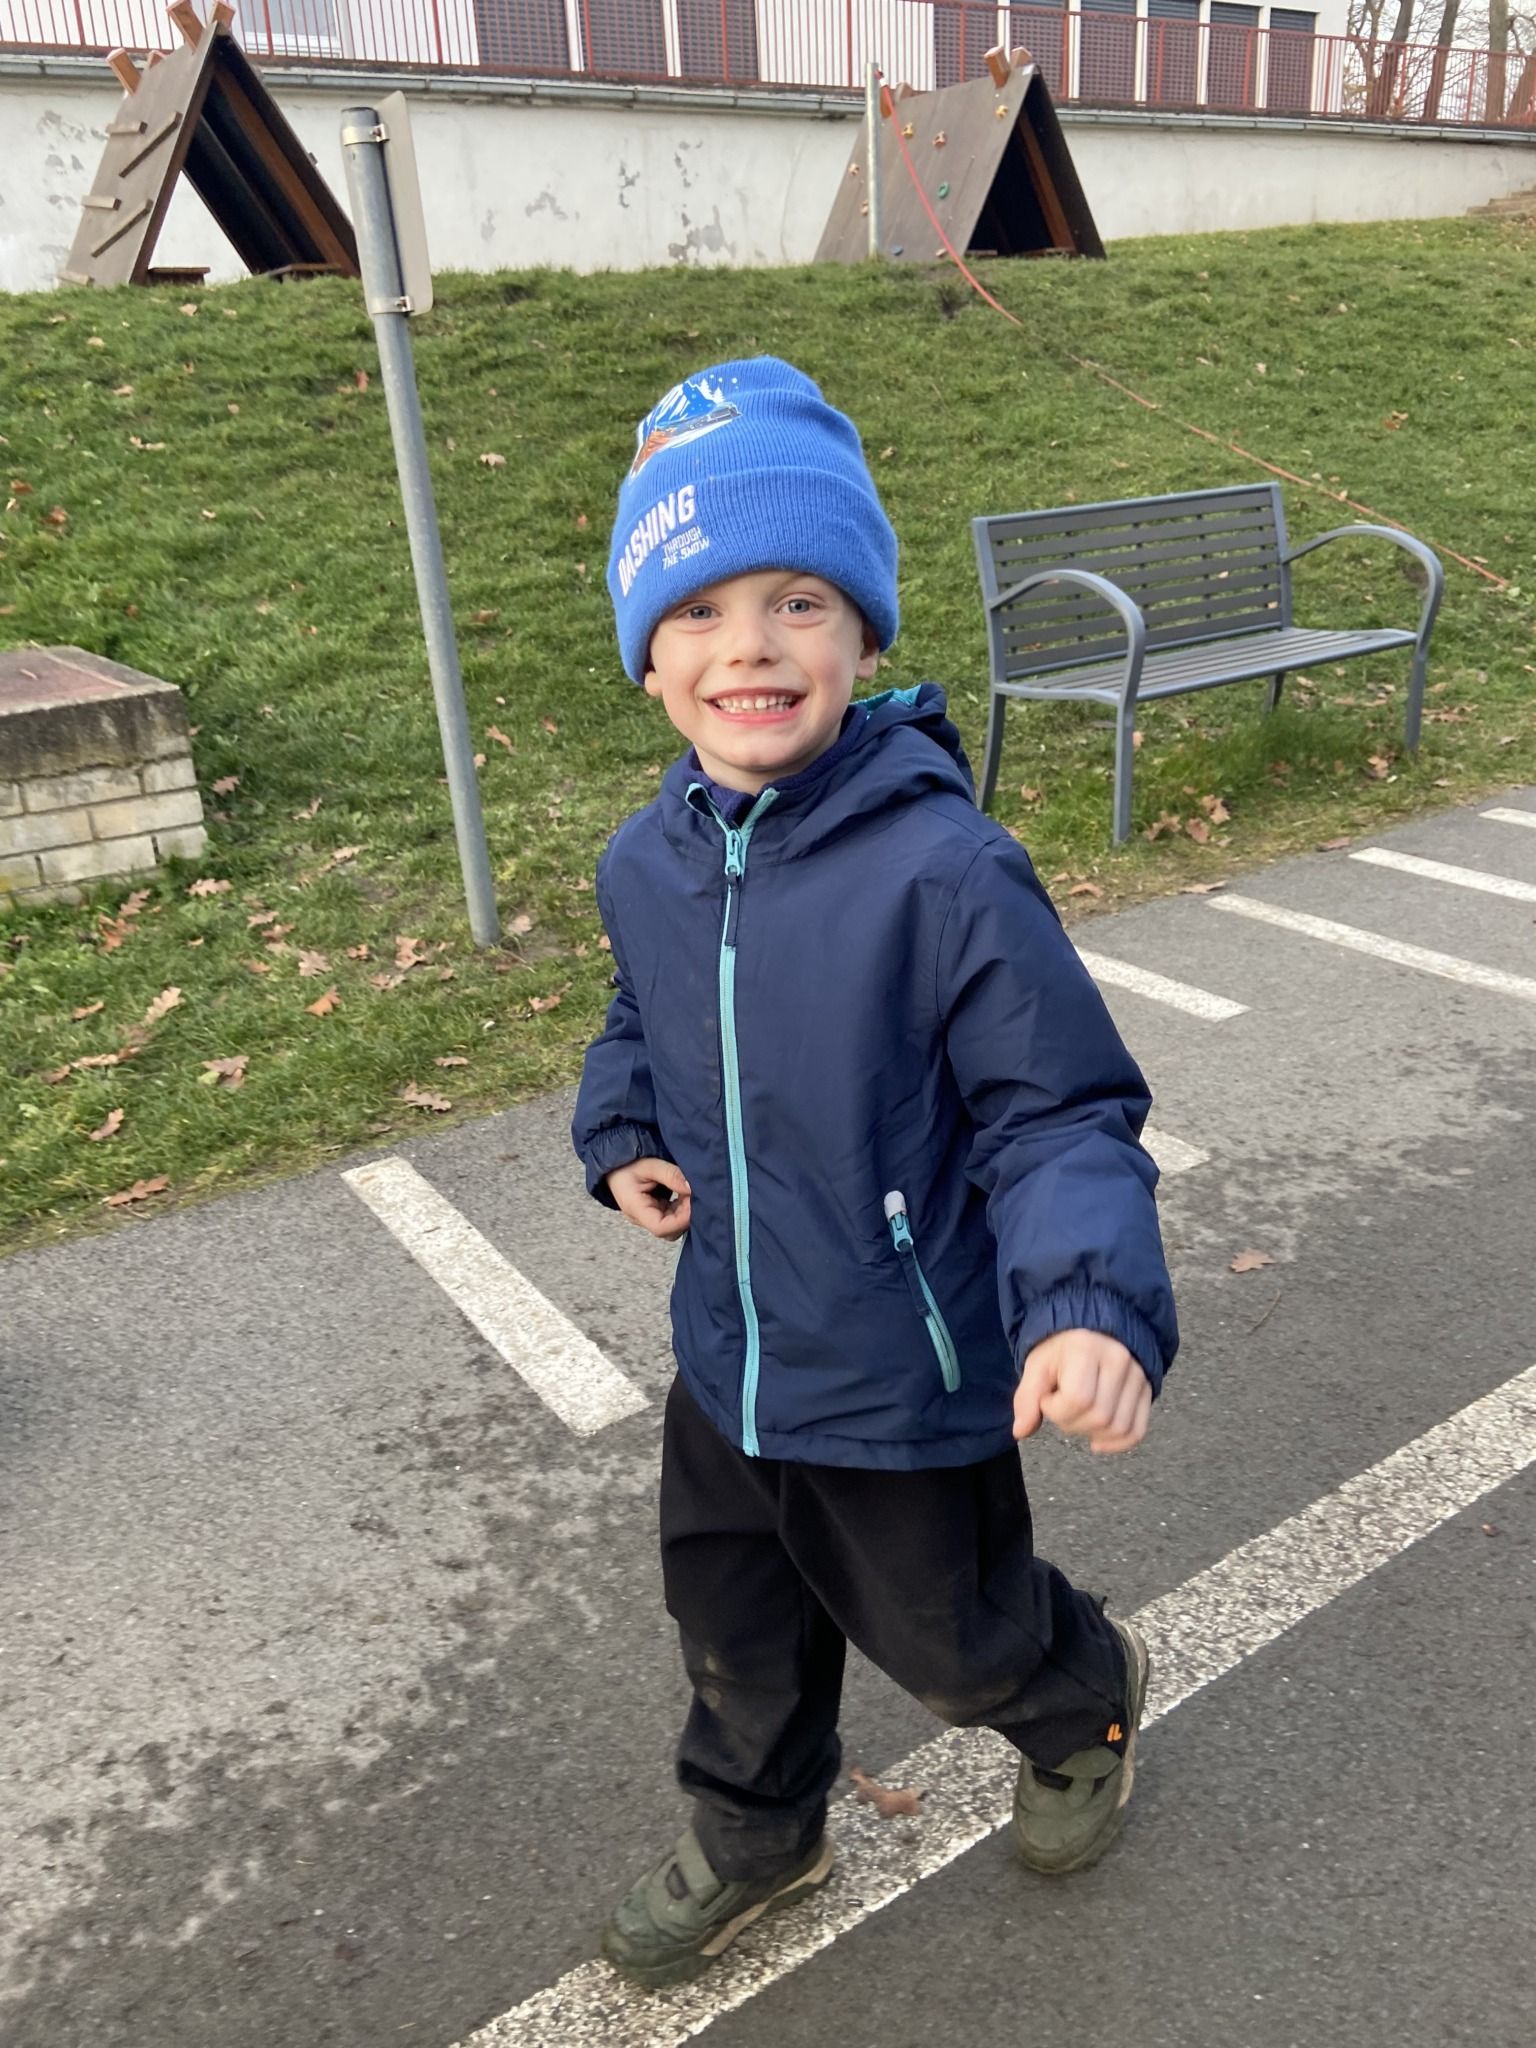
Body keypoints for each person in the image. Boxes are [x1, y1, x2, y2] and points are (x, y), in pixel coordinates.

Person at [572, 358, 1178, 1992]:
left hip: (903, 1369)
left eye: (799, 602)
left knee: (953, 1638)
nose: (750, 646)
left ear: (861, 637)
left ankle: (1084, 1696)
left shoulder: (946, 869)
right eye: (699, 610)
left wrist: (1087, 1302)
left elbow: (1056, 1112)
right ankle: (759, 1832)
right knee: (733, 1630)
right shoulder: (647, 860)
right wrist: (621, 1132)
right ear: (648, 658)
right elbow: (640, 1014)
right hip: (729, 1358)